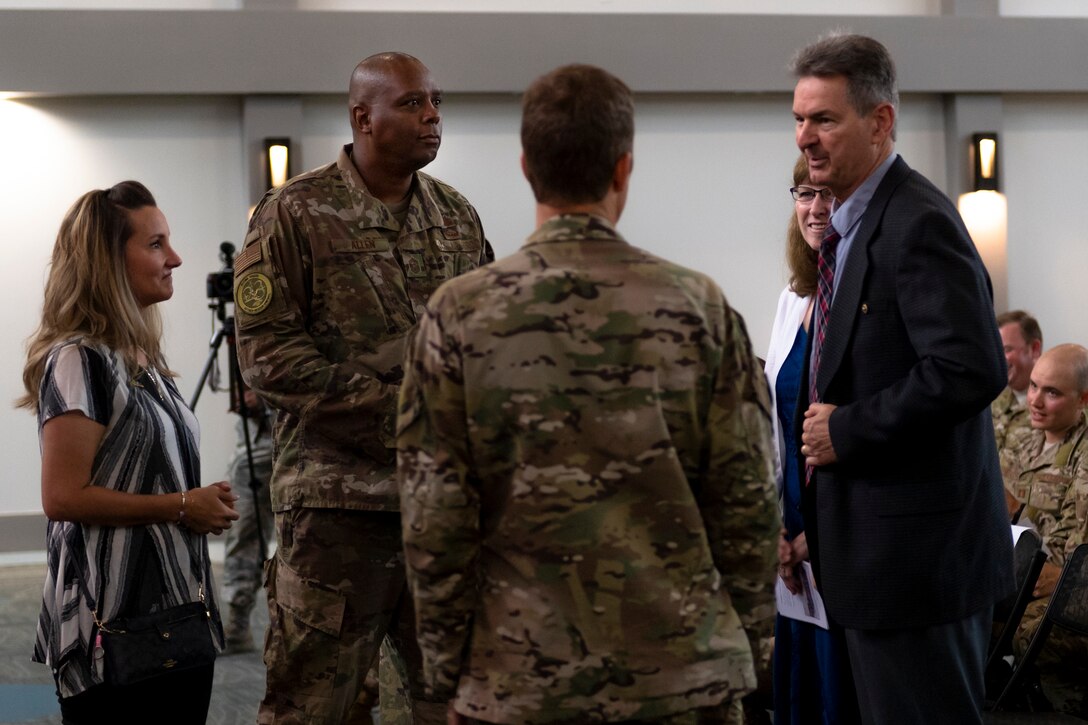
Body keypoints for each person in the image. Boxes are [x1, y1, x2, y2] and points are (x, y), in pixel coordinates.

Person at [397, 63, 780, 725]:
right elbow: (747, 502)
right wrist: (743, 652)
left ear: (525, 167)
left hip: (518, 683)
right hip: (680, 678)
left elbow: (434, 520)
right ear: (623, 169)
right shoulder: (699, 308)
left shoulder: (458, 315)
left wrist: (449, 673)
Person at [233, 51, 493, 724]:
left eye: (436, 101)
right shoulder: (294, 213)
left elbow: (486, 343)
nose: (432, 116)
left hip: (441, 516)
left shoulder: (458, 218)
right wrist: (405, 416)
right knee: (317, 705)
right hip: (335, 518)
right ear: (362, 117)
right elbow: (268, 357)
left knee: (454, 702)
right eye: (412, 103)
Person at [791, 33, 1014, 722]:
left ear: (880, 121)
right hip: (871, 563)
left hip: (918, 568)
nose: (806, 137)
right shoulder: (855, 222)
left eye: (824, 119)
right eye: (799, 119)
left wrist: (847, 429)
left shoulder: (917, 221)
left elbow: (971, 367)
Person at [19, 181, 239, 724]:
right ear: (108, 262)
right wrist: (184, 506)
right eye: (156, 244)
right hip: (115, 633)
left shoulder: (140, 357)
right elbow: (63, 497)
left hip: (174, 619)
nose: (176, 259)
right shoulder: (78, 360)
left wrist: (195, 499)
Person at [764, 155, 859, 725]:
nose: (816, 209)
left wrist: (815, 538)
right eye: (804, 194)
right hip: (791, 546)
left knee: (839, 703)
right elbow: (778, 422)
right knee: (797, 702)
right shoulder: (791, 298)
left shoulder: (861, 299)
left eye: (829, 195)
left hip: (842, 541)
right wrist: (777, 527)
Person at [1005, 343, 1088, 713]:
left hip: (1068, 589)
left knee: (1028, 630)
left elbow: (1074, 563)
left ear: (1083, 399)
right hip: (1019, 574)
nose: (1035, 400)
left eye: (1052, 392)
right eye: (1035, 386)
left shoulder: (1084, 455)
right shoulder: (1023, 439)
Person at [220, 387, 274, 654]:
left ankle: (240, 625)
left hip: (283, 437)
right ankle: (238, 626)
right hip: (255, 443)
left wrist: (262, 396)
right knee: (244, 532)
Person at [992, 310, 1044, 514]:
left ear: (1034, 349)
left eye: (1006, 349)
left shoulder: (1062, 406)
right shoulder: (992, 400)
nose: (998, 358)